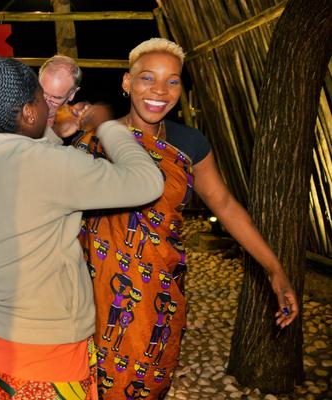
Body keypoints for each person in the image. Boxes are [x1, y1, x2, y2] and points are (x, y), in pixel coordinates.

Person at [74, 38, 299, 399]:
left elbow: (224, 204)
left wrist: (274, 268)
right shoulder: (92, 140)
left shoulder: (188, 143)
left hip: (160, 289)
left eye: (173, 80)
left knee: (148, 383)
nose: (160, 91)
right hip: (95, 291)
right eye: (147, 78)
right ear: (127, 83)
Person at [0, 48, 165, 400]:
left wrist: (59, 130)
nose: (53, 110)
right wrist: (107, 127)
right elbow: (146, 180)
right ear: (29, 111)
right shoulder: (48, 165)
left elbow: (27, 151)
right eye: (43, 102)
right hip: (46, 350)